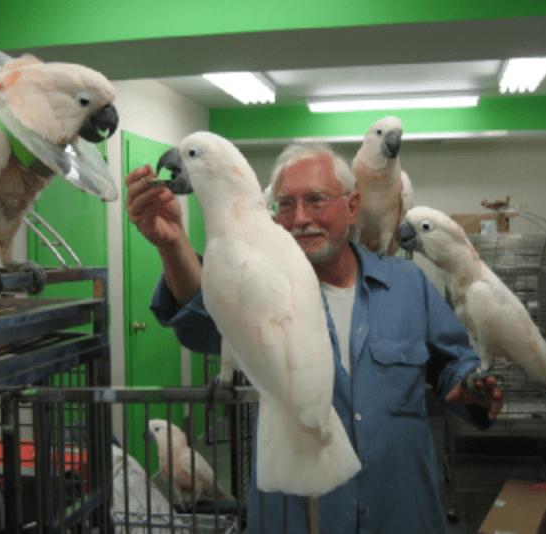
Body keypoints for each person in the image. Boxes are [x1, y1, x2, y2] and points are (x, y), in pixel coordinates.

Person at [124, 142, 503, 534]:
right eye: (286, 205)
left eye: (316, 200)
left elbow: (451, 363)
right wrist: (173, 245)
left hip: (400, 512)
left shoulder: (408, 285)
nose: (301, 218)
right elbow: (201, 316)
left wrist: (470, 385)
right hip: (295, 518)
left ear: (352, 207)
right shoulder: (253, 280)